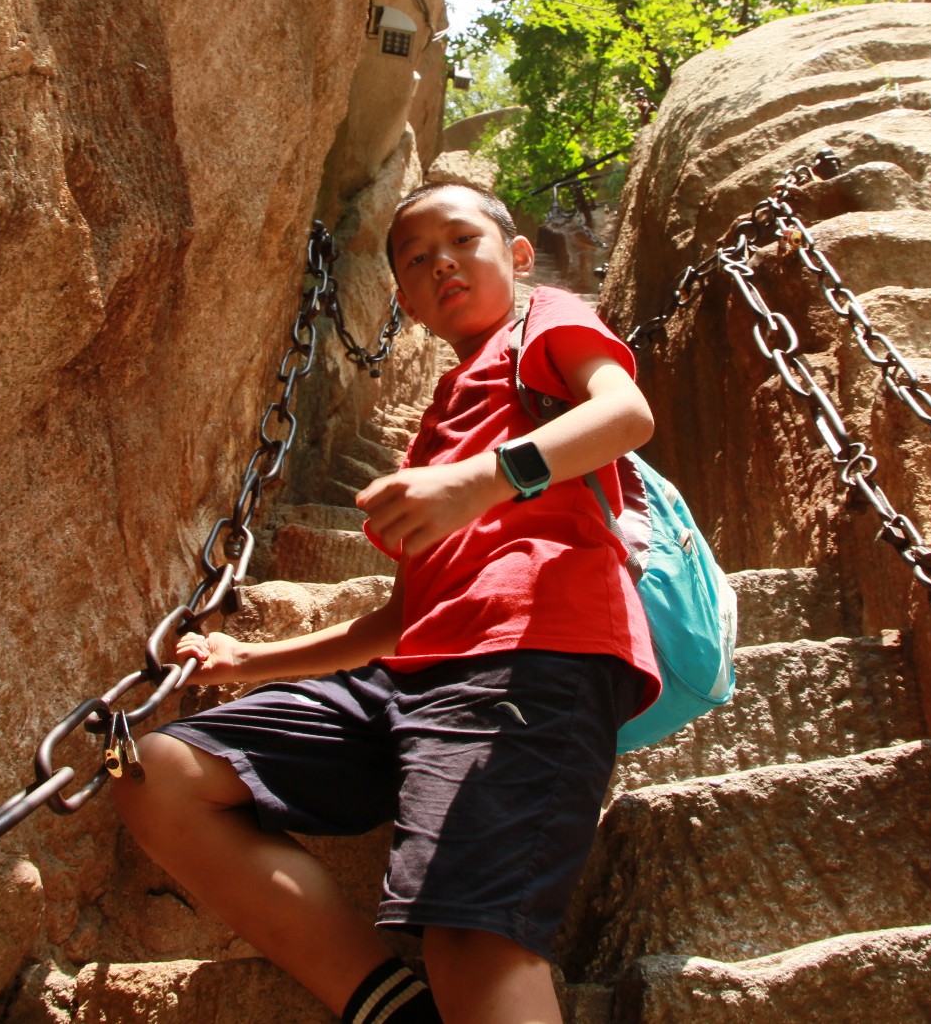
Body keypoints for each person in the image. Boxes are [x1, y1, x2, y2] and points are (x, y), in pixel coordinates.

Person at [113, 181, 660, 1024]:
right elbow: (402, 618)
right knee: (159, 774)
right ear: (402, 299)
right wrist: (247, 661)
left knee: (471, 935)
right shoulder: (438, 418)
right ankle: (388, 1007)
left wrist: (482, 480)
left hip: (532, 654)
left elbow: (625, 413)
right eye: (414, 256)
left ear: (516, 256)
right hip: (413, 678)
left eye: (462, 239)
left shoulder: (541, 321)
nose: (441, 259)